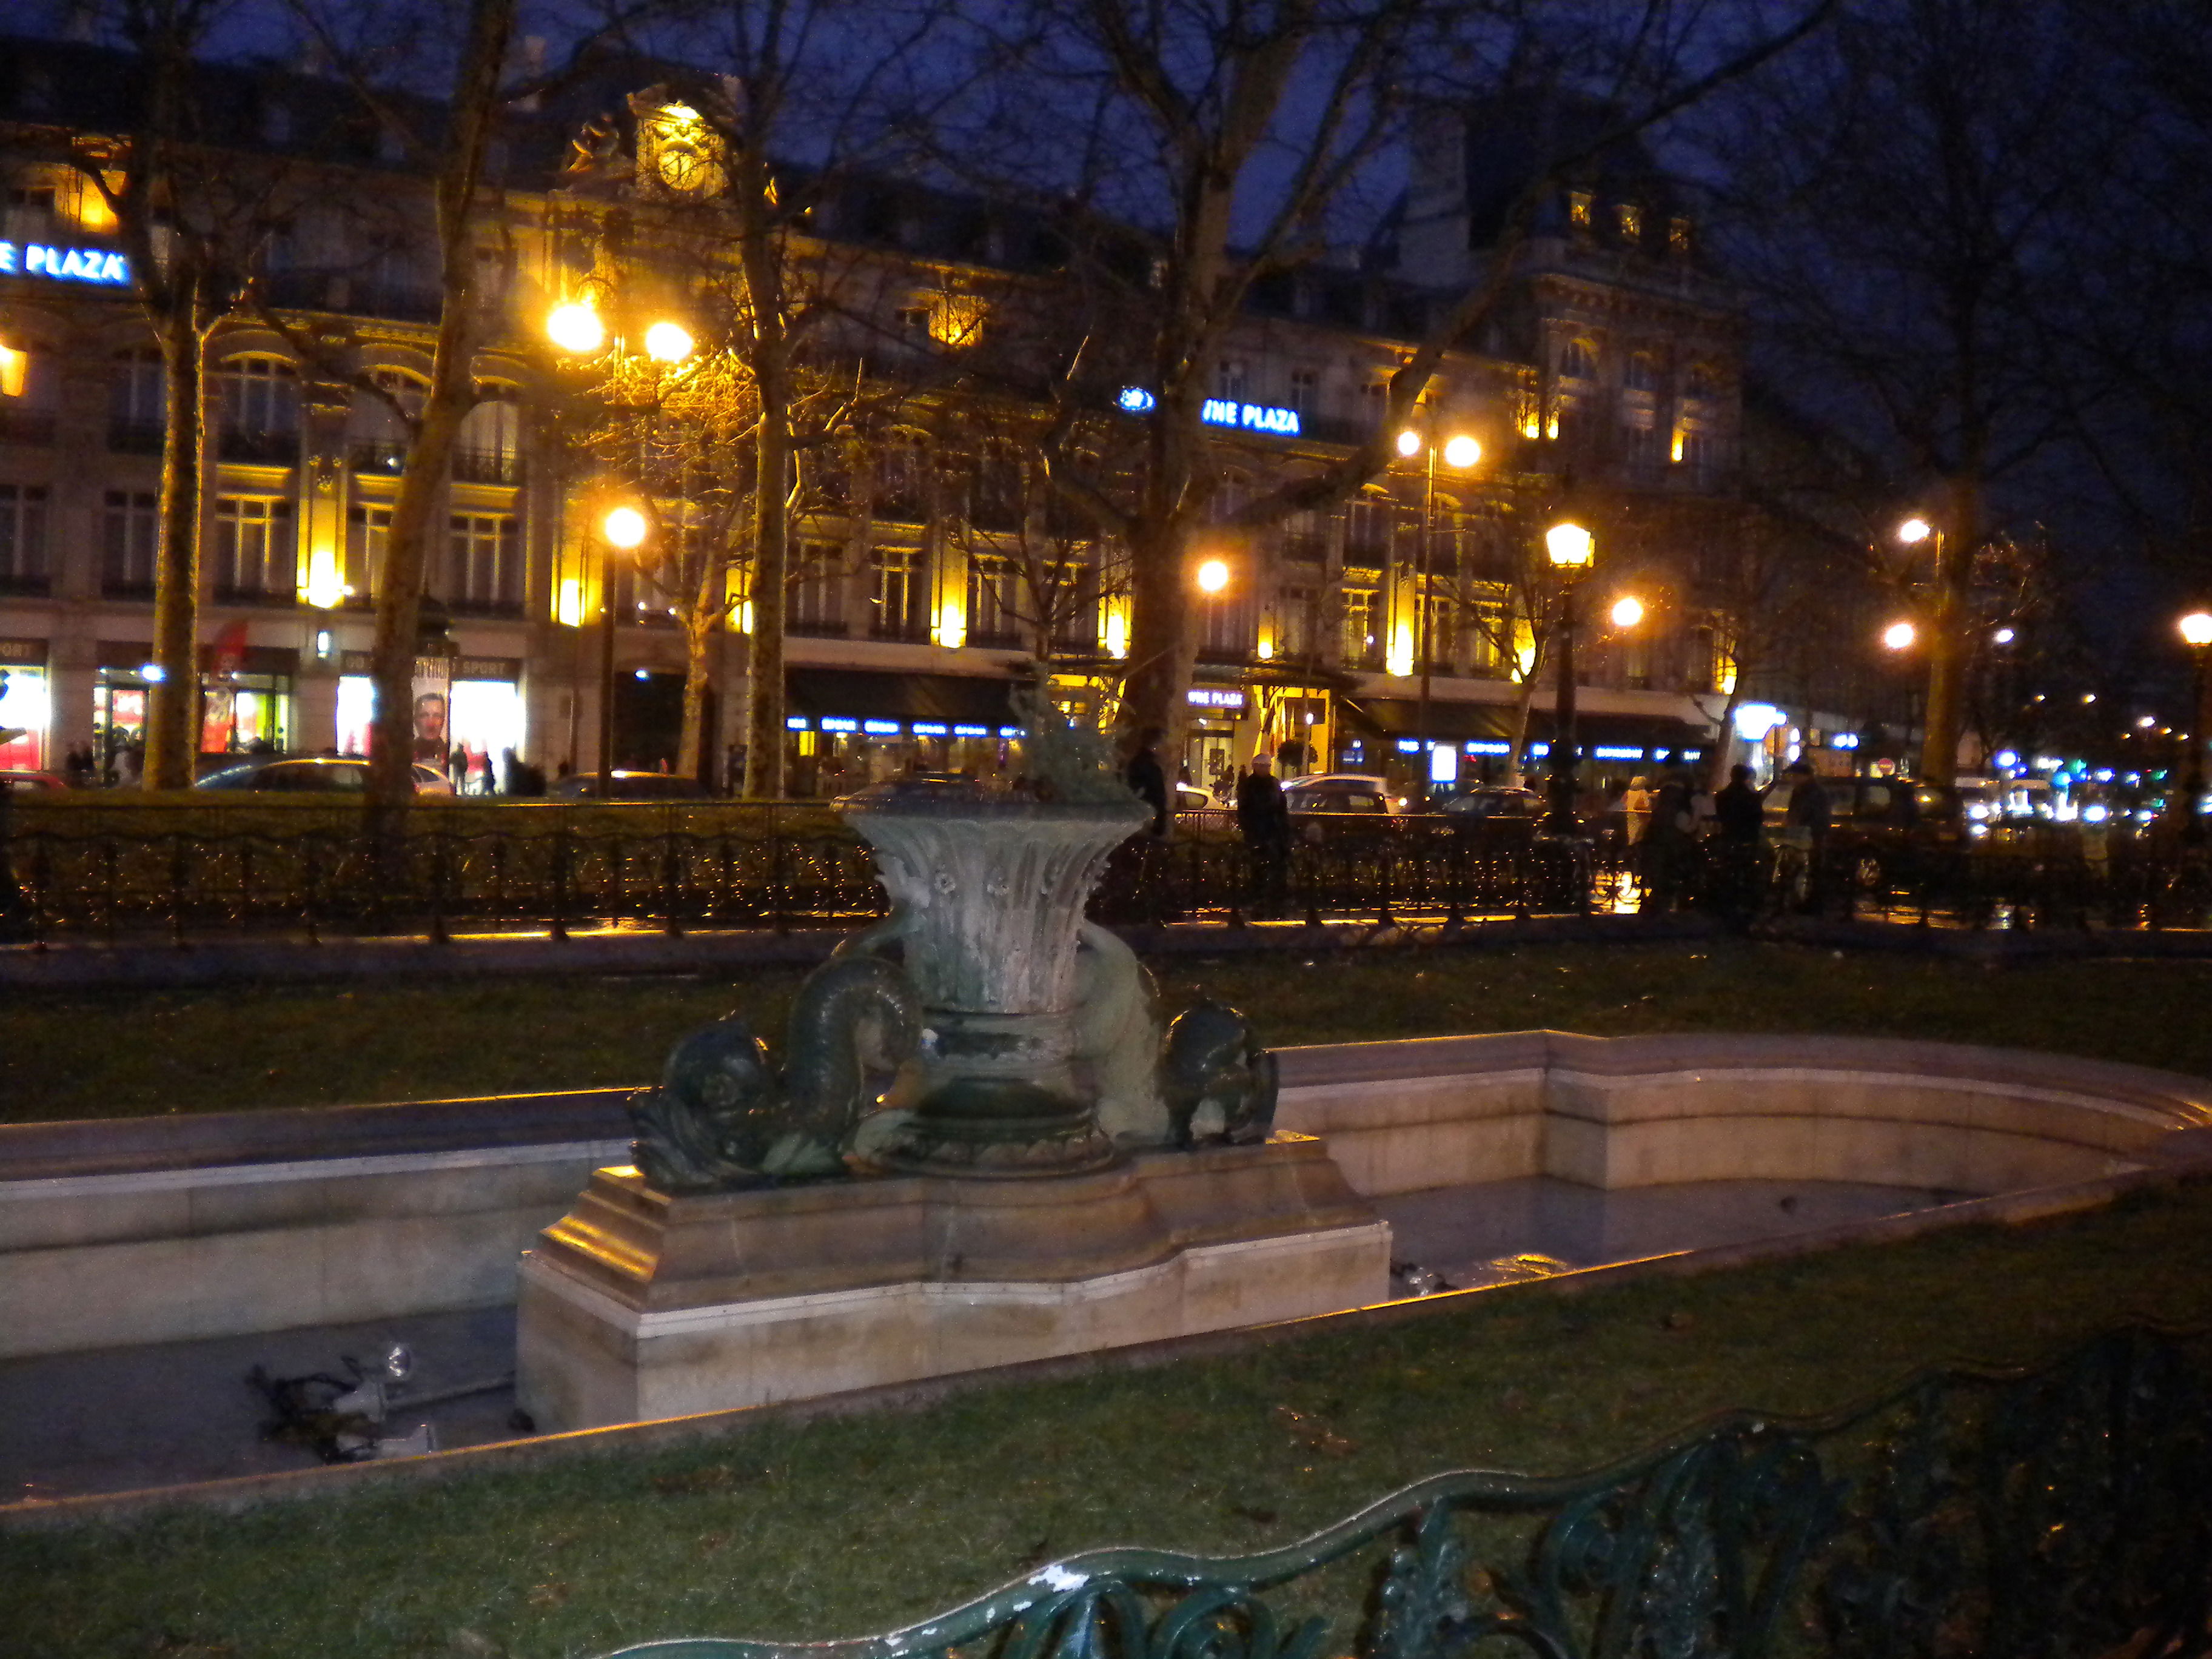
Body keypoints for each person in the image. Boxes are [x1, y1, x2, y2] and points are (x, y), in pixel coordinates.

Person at [1235, 751, 1292, 913]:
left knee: (1277, 865)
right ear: (1255, 767)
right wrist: (1248, 828)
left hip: (1274, 830)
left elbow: (1282, 806)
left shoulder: (1274, 783)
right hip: (1257, 829)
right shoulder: (1249, 785)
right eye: (1261, 766)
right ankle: (1258, 896)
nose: (1264, 769)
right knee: (1258, 865)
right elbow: (1244, 809)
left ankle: (1276, 898)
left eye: (1267, 766)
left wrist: (1284, 827)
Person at [1779, 760, 1831, 912]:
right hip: (1800, 836)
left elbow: (1816, 816)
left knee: (1814, 870)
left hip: (1813, 835)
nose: (1793, 779)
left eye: (1795, 775)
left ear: (1806, 776)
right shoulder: (1799, 791)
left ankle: (1814, 904)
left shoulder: (1816, 792)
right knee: (1798, 869)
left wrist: (1805, 826)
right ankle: (1801, 901)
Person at [1124, 726, 1169, 837]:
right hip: (1146, 820)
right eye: (1163, 743)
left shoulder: (1138, 762)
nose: (1166, 747)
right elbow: (1157, 795)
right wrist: (1159, 822)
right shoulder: (1149, 766)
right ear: (1155, 745)